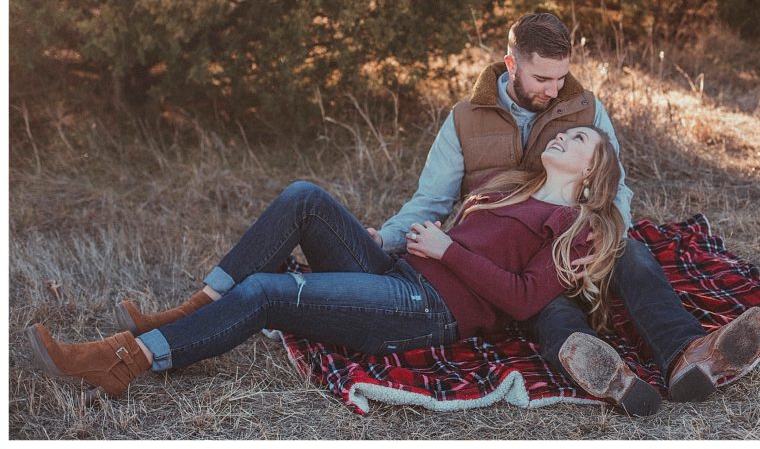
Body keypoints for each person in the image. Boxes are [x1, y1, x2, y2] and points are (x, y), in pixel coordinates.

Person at [25, 126, 638, 404]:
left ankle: (123, 360)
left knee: (269, 290)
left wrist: (448, 251)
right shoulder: (512, 189)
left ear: (594, 172)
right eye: (564, 134)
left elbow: (527, 299)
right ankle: (195, 309)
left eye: (580, 140)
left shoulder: (575, 227)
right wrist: (399, 243)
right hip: (400, 275)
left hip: (424, 310)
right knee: (304, 197)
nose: (563, 138)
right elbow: (443, 239)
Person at [369, 12, 760, 415]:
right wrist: (386, 238)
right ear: (512, 65)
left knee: (630, 253)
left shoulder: (585, 110)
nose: (554, 89)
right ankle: (607, 372)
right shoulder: (465, 118)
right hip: (504, 256)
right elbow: (431, 201)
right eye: (542, 79)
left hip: (575, 235)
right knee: (547, 304)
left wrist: (602, 236)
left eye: (561, 77)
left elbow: (613, 184)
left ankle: (688, 354)